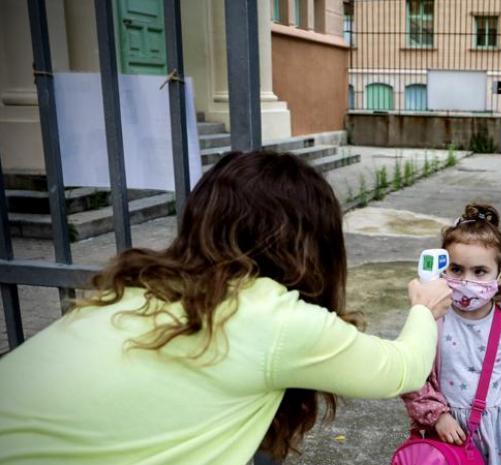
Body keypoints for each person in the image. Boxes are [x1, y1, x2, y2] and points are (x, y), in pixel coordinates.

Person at [0, 151, 453, 465]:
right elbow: (401, 369)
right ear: (312, 243)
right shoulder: (275, 320)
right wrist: (424, 307)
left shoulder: (134, 287)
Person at [402, 204, 501, 465]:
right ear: (442, 269)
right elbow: (410, 374)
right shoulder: (431, 319)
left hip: (496, 440)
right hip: (446, 435)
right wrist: (437, 416)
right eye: (456, 270)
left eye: (479, 272)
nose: (466, 281)